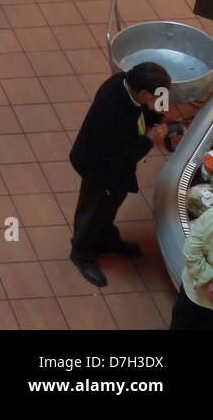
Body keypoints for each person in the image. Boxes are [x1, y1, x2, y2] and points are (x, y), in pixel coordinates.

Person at [67, 61, 170, 287]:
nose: (155, 101)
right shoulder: (112, 112)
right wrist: (149, 140)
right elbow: (119, 157)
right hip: (100, 170)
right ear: (143, 92)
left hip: (116, 171)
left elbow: (139, 111)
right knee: (92, 211)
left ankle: (105, 238)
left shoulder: (122, 83)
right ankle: (81, 253)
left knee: (111, 204)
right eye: (154, 96)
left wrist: (155, 120)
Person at [171, 206, 213, 330]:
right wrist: (208, 281)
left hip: (193, 291)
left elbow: (191, 251)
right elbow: (192, 251)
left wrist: (207, 280)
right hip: (192, 295)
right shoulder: (210, 217)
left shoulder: (209, 216)